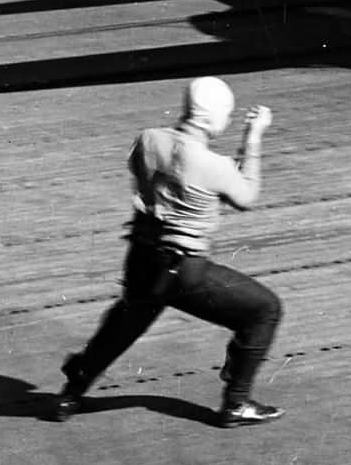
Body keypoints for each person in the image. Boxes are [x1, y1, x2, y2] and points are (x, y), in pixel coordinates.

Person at [54, 77, 283, 428]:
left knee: (123, 325)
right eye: (227, 114)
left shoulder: (147, 140)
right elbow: (247, 195)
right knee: (264, 310)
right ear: (211, 117)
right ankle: (236, 402)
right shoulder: (213, 165)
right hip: (183, 269)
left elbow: (153, 172)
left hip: (141, 258)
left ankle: (72, 392)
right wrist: (252, 137)